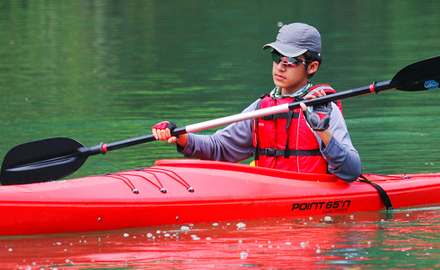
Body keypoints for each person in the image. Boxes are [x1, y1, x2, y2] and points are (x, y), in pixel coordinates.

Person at [152, 23, 362, 181]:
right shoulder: (261, 108)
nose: (280, 66)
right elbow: (219, 148)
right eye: (276, 57)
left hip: (311, 203)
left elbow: (351, 171)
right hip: (268, 194)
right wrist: (182, 137)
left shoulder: (324, 109)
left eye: (289, 61)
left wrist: (323, 132)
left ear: (312, 67)